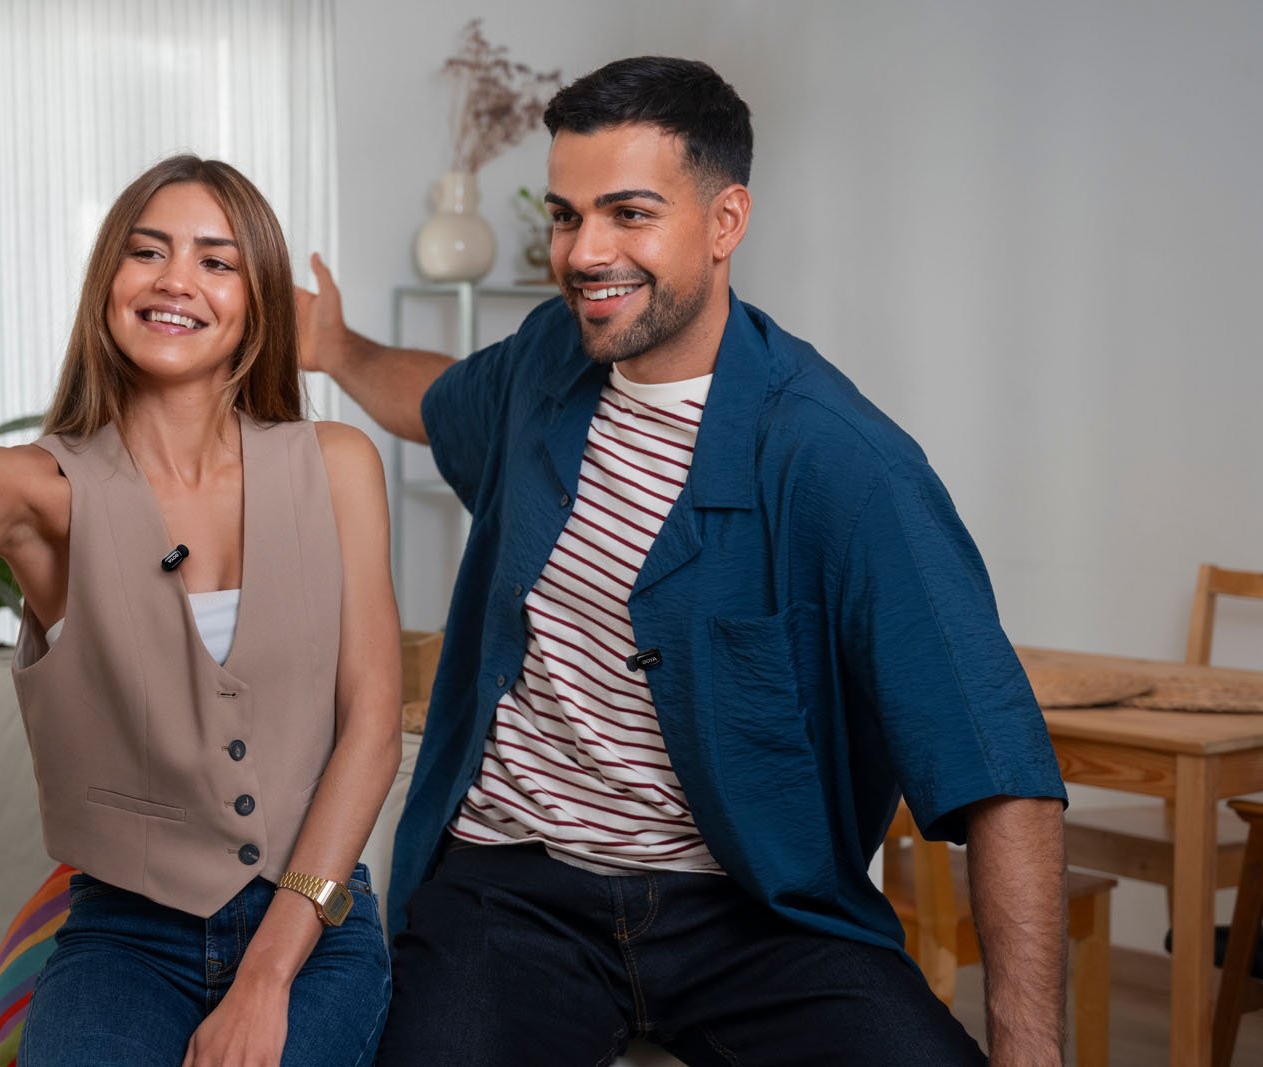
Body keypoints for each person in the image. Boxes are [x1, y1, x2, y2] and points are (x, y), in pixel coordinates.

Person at [297, 58, 1068, 1066]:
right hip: (510, 888)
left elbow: (1002, 773)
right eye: (566, 216)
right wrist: (338, 347)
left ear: (724, 220)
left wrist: (1029, 1053)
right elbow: (439, 398)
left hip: (758, 912)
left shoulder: (845, 463)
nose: (585, 253)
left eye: (629, 213)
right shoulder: (546, 358)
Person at [0, 155, 400, 1067]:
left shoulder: (338, 466)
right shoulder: (38, 488)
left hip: (313, 923)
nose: (175, 280)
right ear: (107, 285)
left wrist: (265, 979)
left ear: (258, 300)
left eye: (216, 260)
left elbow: (372, 726)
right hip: (128, 937)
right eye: (147, 252)